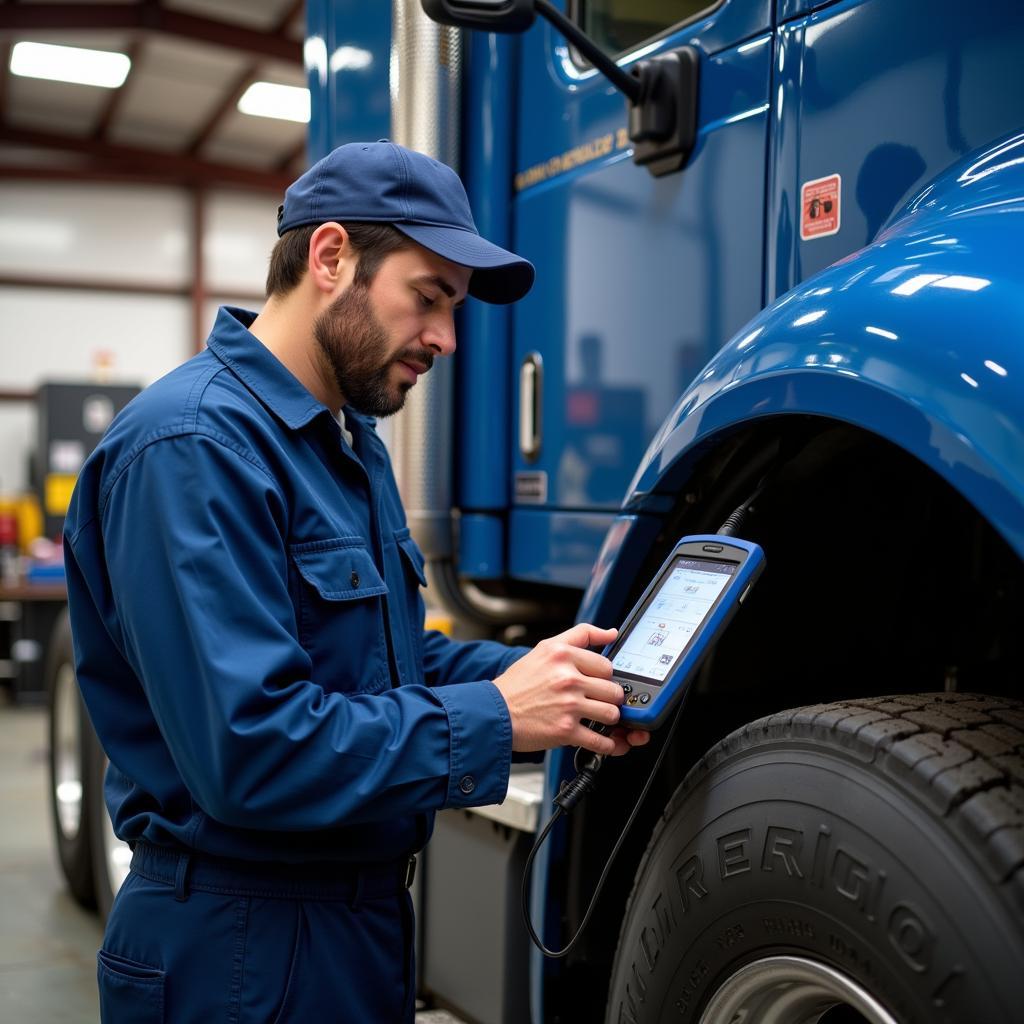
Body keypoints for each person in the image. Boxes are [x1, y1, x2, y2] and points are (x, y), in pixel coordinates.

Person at [64, 141, 649, 1023]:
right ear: (331, 257)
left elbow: (386, 662)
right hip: (238, 950)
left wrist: (555, 680)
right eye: (430, 297)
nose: (448, 339)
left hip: (354, 928)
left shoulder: (346, 445)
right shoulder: (192, 449)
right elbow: (250, 752)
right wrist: (498, 717)